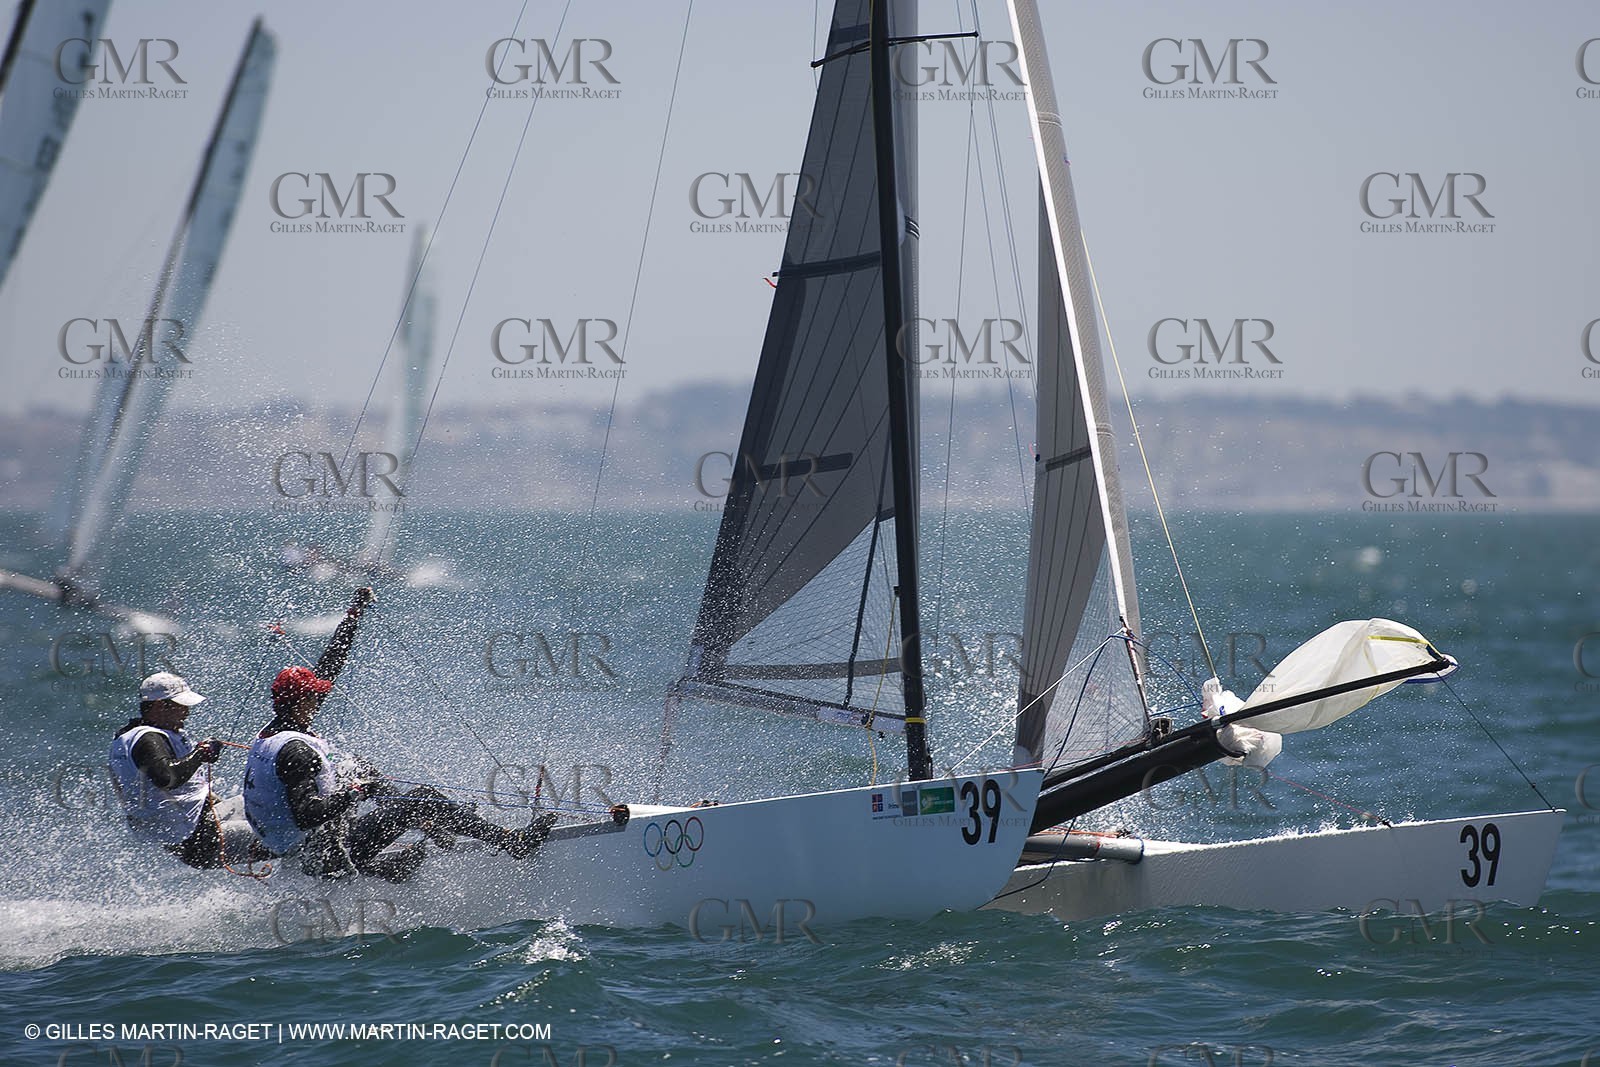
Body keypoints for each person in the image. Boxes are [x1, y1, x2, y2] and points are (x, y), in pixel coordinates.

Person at [243, 586, 554, 882]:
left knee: (357, 766)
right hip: (323, 857)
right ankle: (512, 842)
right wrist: (355, 793)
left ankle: (421, 827)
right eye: (315, 695)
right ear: (303, 702)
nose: (320, 698)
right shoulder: (297, 752)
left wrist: (353, 617)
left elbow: (328, 668)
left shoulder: (274, 732)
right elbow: (307, 815)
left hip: (306, 846)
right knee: (422, 797)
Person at [108, 671, 270, 869]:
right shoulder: (146, 739)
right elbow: (166, 777)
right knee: (294, 835)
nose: (186, 712)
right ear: (159, 706)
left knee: (279, 806)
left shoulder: (132, 736)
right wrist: (200, 754)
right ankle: (297, 886)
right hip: (202, 840)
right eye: (181, 706)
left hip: (202, 825)